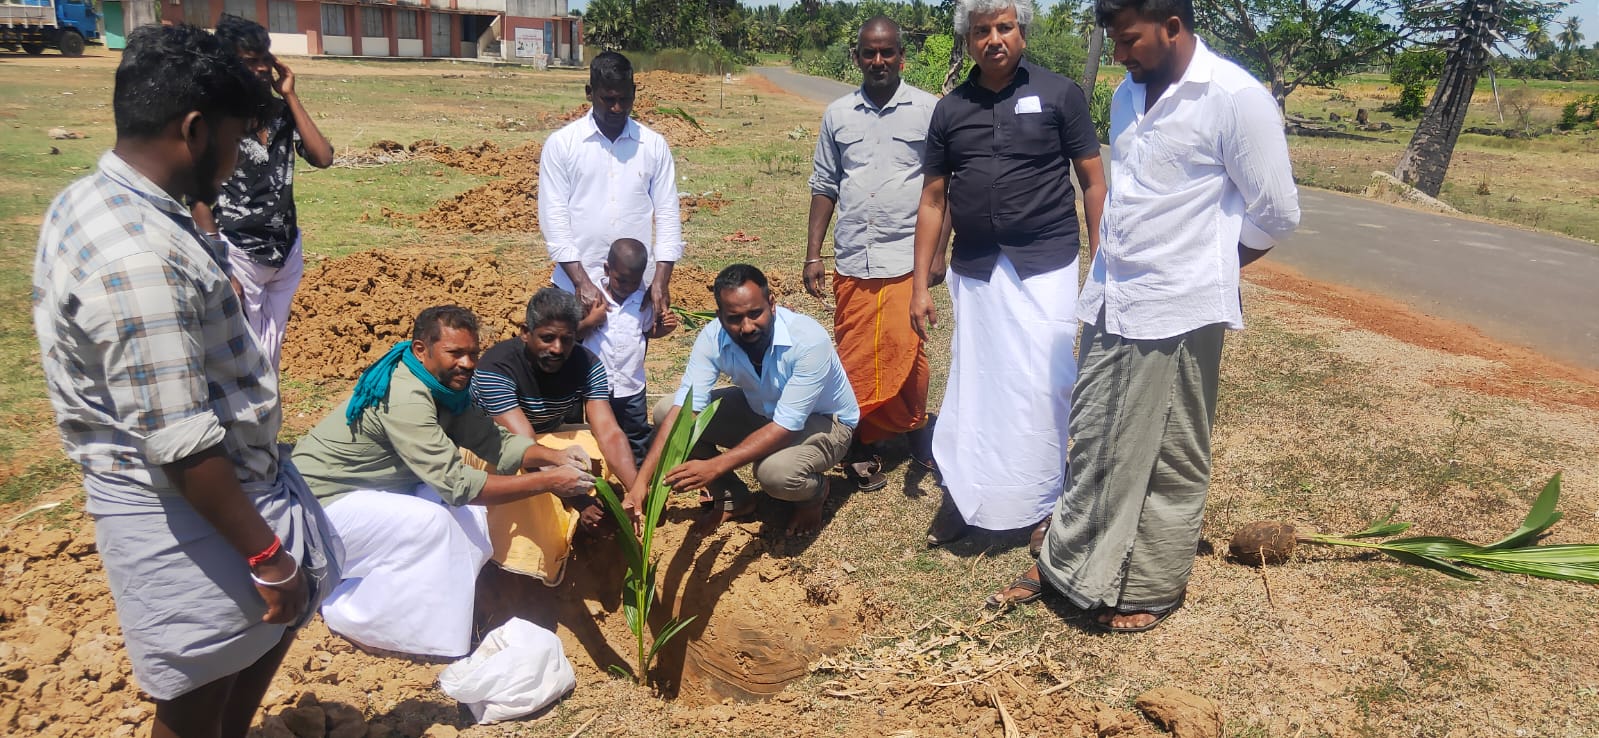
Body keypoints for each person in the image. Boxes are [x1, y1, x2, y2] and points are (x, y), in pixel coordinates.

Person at [32, 24, 339, 738]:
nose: (238, 159)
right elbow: (181, 441)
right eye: (235, 138)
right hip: (185, 506)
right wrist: (267, 555)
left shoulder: (100, 201)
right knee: (200, 695)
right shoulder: (139, 259)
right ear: (195, 130)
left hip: (220, 486)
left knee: (255, 642)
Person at [987, 0, 1301, 632]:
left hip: (1181, 305)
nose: (1120, 54)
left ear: (1173, 27)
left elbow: (1278, 212)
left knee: (1170, 447)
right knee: (1096, 430)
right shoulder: (1129, 93)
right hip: (1114, 291)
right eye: (1113, 39)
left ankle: (1152, 582)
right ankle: (1066, 561)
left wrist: (1210, 266)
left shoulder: (1235, 99)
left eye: (1129, 39)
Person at [910, 0, 1108, 550]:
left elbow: (1093, 181)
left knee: (1044, 384)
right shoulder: (951, 109)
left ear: (1021, 32)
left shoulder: (1061, 94)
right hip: (976, 268)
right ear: (969, 39)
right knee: (978, 382)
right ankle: (969, 494)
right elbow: (933, 200)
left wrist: (1101, 262)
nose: (993, 38)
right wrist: (918, 284)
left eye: (1004, 27)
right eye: (981, 30)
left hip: (1046, 263)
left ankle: (1044, 501)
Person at [291, 306, 595, 658]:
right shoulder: (406, 396)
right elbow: (458, 485)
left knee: (470, 521)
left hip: (367, 495)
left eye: (473, 353)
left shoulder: (444, 389)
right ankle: (355, 617)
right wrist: (549, 481)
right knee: (432, 524)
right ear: (422, 350)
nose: (467, 363)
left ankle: (429, 624)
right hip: (313, 511)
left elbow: (492, 440)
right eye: (456, 353)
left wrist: (554, 457)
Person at [806, 16, 948, 490]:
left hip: (908, 257)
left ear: (902, 57)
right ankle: (859, 439)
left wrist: (939, 252)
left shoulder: (929, 111)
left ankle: (915, 430)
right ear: (858, 57)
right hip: (854, 257)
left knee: (909, 350)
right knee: (854, 352)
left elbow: (944, 187)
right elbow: (825, 185)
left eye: (887, 52)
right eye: (870, 52)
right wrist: (813, 254)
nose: (879, 60)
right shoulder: (838, 114)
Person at [628, 265, 860, 537]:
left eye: (755, 313)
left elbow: (787, 426)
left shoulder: (807, 340)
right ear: (720, 316)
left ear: (772, 304)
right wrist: (640, 483)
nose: (747, 327)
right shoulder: (713, 337)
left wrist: (715, 466)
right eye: (735, 318)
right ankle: (733, 498)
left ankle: (814, 495)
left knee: (775, 473)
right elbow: (685, 410)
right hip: (762, 410)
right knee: (666, 411)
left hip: (825, 421)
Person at [192, 14, 333, 373]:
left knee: (270, 351)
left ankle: (267, 410)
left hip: (285, 251)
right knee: (244, 354)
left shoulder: (280, 114)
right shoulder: (216, 120)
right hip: (239, 251)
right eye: (249, 61)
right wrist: (222, 266)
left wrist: (290, 94)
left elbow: (322, 157)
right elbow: (197, 198)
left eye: (264, 59)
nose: (260, 69)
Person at [539, 51, 683, 327]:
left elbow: (668, 214)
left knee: (629, 354)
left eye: (624, 99)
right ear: (590, 92)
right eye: (608, 99)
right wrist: (581, 282)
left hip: (634, 290)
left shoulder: (653, 146)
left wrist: (661, 280)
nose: (617, 108)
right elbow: (553, 218)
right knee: (574, 354)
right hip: (576, 286)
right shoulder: (563, 145)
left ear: (634, 93)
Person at [472, 286, 646, 497]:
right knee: (511, 469)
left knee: (595, 452)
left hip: (548, 436)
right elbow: (522, 445)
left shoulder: (588, 364)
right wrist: (580, 502)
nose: (557, 348)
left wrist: (637, 491)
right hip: (494, 445)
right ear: (526, 333)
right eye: (547, 338)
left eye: (566, 339)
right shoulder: (497, 367)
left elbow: (609, 432)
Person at [574, 239, 681, 465]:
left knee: (636, 434)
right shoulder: (592, 298)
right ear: (607, 270)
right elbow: (574, 335)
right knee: (597, 433)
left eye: (634, 281)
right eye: (621, 280)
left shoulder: (642, 301)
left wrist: (664, 329)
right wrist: (591, 321)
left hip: (632, 385)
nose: (627, 286)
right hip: (597, 387)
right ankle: (606, 473)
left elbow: (647, 332)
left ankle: (638, 476)